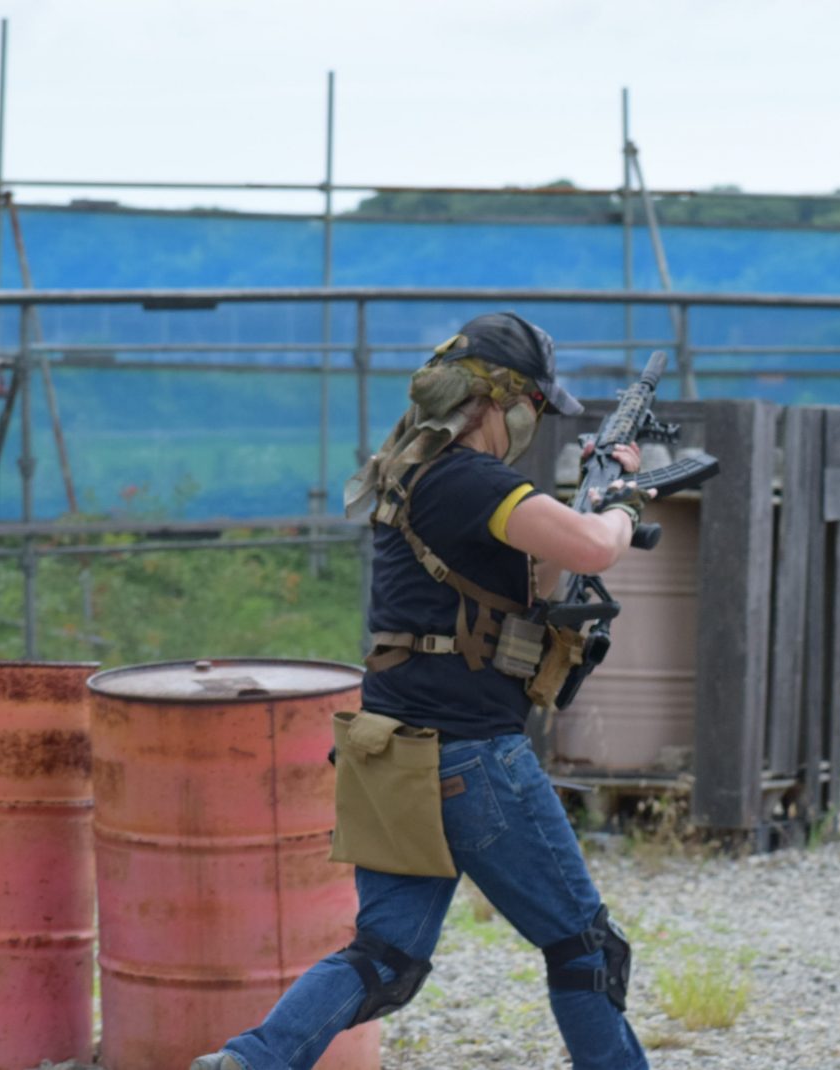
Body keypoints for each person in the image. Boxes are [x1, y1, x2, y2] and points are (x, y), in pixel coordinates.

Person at [191, 312, 650, 1070]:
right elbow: (597, 547)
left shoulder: (412, 474)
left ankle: (250, 1061)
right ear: (500, 401)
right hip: (474, 758)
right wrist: (623, 502)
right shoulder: (473, 480)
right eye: (535, 406)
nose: (534, 423)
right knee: (586, 949)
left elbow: (544, 580)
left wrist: (585, 497)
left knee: (385, 959)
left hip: (392, 753)